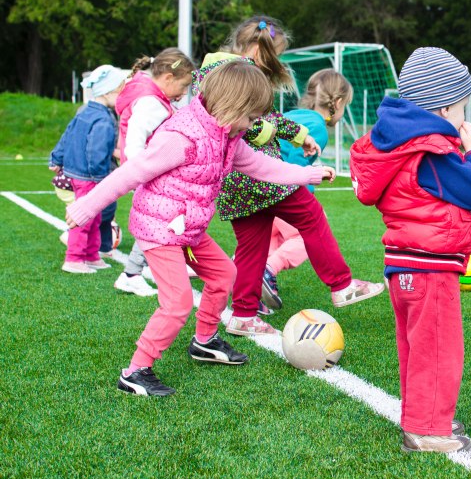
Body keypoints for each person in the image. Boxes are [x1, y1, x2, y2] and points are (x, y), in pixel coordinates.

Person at [65, 61, 336, 396]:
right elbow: (131, 173)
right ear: (233, 107)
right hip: (159, 230)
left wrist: (308, 174)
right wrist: (86, 207)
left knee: (225, 275)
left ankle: (204, 341)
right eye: (252, 118)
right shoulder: (181, 137)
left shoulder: (228, 136)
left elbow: (260, 166)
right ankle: (135, 371)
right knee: (177, 302)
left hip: (188, 229)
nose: (254, 126)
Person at [193, 16, 384, 336]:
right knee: (311, 215)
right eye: (273, 56)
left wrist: (299, 136)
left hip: (235, 182)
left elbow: (267, 116)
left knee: (253, 245)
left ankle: (242, 314)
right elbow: (244, 121)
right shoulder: (233, 73)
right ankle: (341, 284)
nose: (274, 64)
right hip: (258, 175)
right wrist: (270, 133)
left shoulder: (219, 68)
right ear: (256, 49)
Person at [350, 47, 471, 453]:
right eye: (463, 107)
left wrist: (464, 226)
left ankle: (423, 415)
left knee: (417, 348)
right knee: (438, 349)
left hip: (406, 265)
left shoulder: (402, 145)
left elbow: (422, 201)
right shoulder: (432, 149)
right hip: (429, 271)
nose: (464, 118)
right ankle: (427, 430)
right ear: (445, 106)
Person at [262, 69, 354, 310]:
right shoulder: (319, 128)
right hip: (279, 190)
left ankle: (246, 279)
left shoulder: (294, 115)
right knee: (308, 233)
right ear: (338, 102)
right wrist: (312, 179)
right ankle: (268, 271)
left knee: (268, 240)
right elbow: (293, 165)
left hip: (258, 189)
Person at [113, 48, 195, 297]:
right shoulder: (151, 103)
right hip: (149, 175)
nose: (183, 95)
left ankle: (149, 268)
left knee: (168, 219)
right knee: (158, 223)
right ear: (168, 78)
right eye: (183, 86)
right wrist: (144, 172)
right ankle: (131, 274)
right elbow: (135, 142)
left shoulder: (153, 97)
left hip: (151, 173)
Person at [49, 64, 125, 274]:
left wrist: (56, 157)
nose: (122, 96)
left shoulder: (85, 111)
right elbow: (96, 150)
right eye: (120, 91)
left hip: (80, 172)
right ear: (109, 92)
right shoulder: (103, 119)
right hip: (90, 176)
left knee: (95, 216)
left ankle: (91, 255)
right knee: (85, 217)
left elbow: (67, 134)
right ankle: (73, 258)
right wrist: (101, 178)